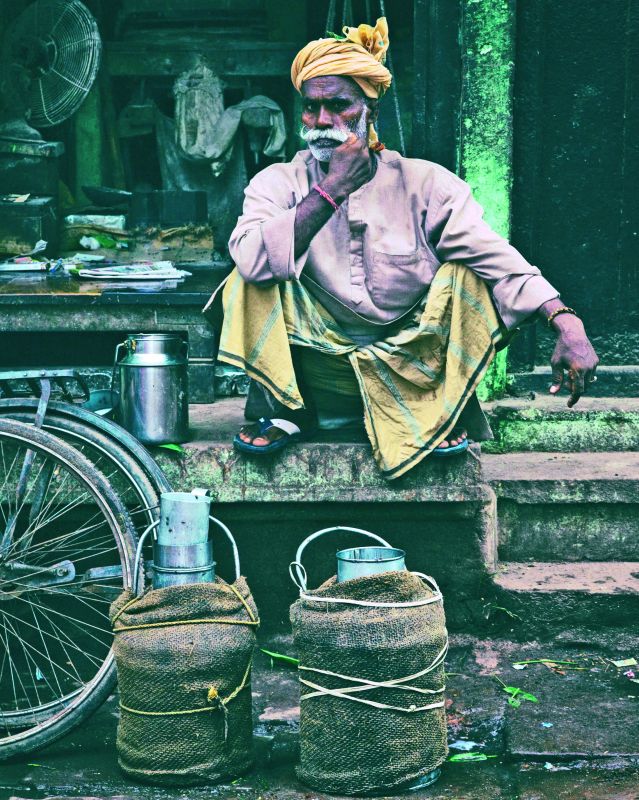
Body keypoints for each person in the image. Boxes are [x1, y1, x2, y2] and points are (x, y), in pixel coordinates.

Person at [214, 17, 598, 479]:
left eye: (338, 106)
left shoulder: (426, 183)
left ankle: (438, 410)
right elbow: (253, 258)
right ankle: (283, 410)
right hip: (314, 366)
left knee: (468, 275)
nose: (321, 122)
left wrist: (566, 322)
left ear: (369, 110)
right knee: (248, 270)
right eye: (311, 108)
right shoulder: (279, 181)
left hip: (409, 365)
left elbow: (494, 257)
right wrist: (330, 191)